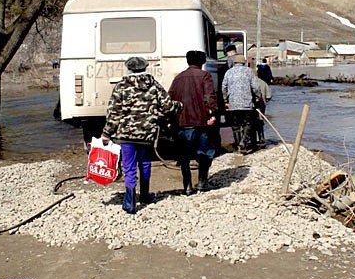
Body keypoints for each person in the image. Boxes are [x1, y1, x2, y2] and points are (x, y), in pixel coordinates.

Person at [102, 57, 182, 214]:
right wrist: (179, 106)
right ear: (146, 67)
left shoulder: (121, 86)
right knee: (145, 163)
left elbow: (114, 113)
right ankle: (145, 195)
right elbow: (167, 107)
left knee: (129, 167)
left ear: (128, 68)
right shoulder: (154, 85)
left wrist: (106, 133)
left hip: (125, 135)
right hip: (147, 134)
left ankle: (130, 202)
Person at [168, 50, 218, 195]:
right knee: (205, 152)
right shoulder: (204, 76)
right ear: (202, 62)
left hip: (181, 122)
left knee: (184, 156)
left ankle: (187, 186)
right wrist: (212, 114)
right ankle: (202, 182)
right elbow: (209, 97)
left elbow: (170, 99)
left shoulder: (178, 78)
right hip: (200, 122)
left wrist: (171, 120)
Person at [222, 54, 263, 154]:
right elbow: (256, 87)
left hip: (233, 104)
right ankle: (243, 142)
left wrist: (225, 100)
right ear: (244, 63)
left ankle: (238, 147)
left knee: (235, 126)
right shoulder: (248, 71)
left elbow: (224, 87)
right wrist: (258, 97)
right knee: (247, 123)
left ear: (235, 63)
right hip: (246, 103)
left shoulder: (228, 72)